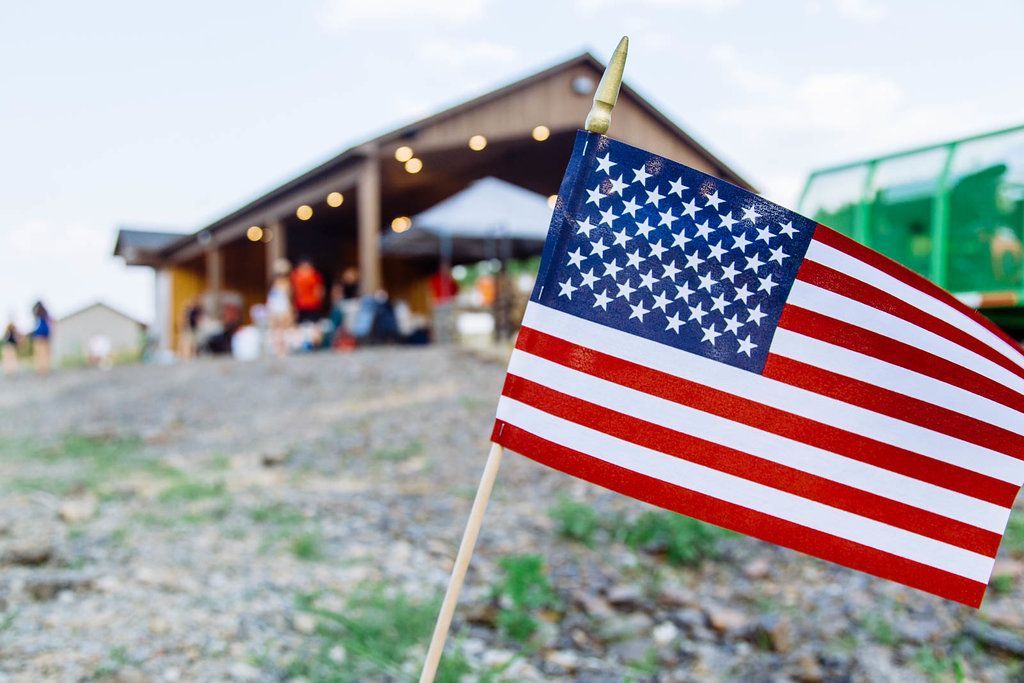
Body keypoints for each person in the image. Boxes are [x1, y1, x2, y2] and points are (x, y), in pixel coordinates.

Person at [267, 258, 294, 357]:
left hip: (280, 308)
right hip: (279, 308)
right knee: (279, 330)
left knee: (281, 330)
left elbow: (286, 299)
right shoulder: (283, 284)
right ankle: (279, 349)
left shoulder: (283, 284)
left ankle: (281, 349)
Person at [290, 258, 325, 324]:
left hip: (311, 305)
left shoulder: (314, 276)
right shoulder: (296, 276)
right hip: (303, 305)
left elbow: (318, 291)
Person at [30, 301, 52, 375]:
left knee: (39, 353)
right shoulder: (45, 314)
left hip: (39, 337)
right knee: (45, 353)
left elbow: (36, 327)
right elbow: (50, 325)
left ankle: (41, 369)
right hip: (45, 336)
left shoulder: (37, 315)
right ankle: (45, 369)